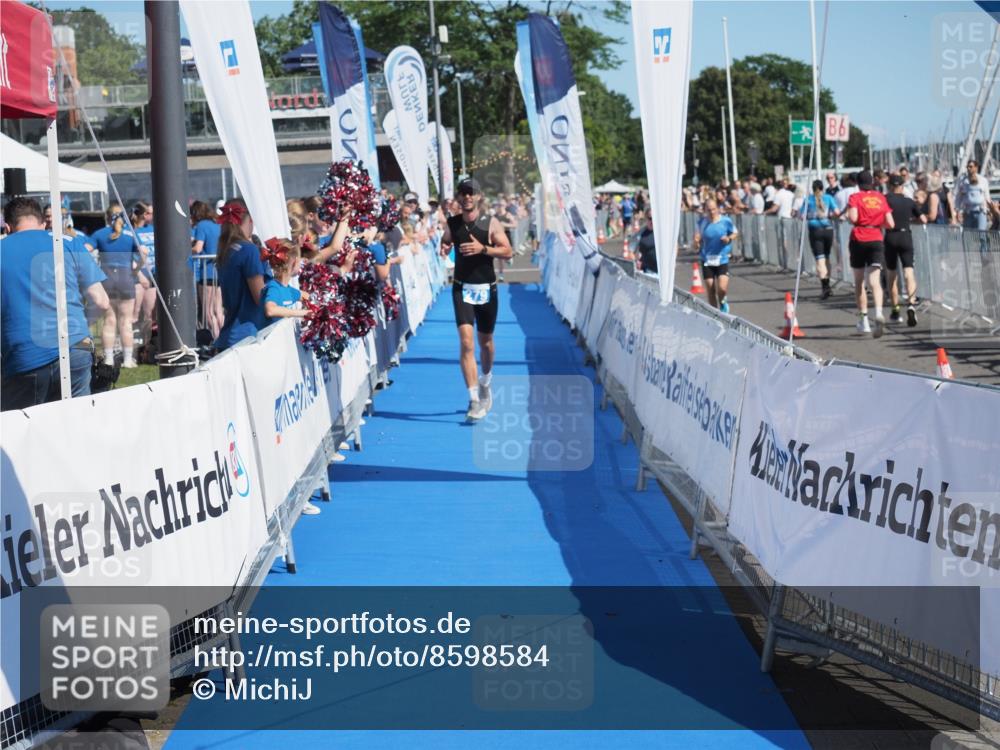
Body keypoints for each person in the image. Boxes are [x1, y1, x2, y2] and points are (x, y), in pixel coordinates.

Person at [1, 197, 110, 410]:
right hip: (76, 346)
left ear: (7, 226)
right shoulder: (69, 242)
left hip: (25, 353)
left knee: (19, 433)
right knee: (75, 426)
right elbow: (102, 301)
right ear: (43, 223)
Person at [439, 178, 513, 421]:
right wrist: (444, 245)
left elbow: (508, 251)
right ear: (458, 198)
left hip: (486, 289)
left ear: (479, 197)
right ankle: (473, 400)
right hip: (462, 288)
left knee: (486, 343)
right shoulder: (452, 222)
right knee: (467, 342)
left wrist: (483, 249)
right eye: (463, 193)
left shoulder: (491, 223)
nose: (467, 197)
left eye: (471, 193)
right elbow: (447, 239)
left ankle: (485, 381)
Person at [846, 171, 894, 337]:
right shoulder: (880, 197)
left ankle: (864, 320)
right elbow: (890, 222)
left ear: (858, 183)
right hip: (876, 238)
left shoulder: (855, 197)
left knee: (859, 282)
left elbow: (853, 217)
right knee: (875, 281)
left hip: (859, 238)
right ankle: (879, 312)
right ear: (872, 182)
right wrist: (876, 222)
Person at [92, 203, 140, 368]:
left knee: (109, 321)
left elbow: (86, 250)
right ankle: (127, 360)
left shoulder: (99, 234)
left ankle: (109, 359)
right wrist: (137, 270)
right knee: (126, 322)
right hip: (126, 278)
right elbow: (144, 254)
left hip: (107, 279)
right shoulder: (130, 234)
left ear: (107, 217)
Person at [884, 174, 924, 327]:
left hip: (891, 236)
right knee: (909, 272)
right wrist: (910, 220)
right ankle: (911, 304)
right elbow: (924, 219)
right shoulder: (909, 201)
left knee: (892, 274)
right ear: (902, 186)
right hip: (905, 235)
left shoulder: (885, 200)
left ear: (889, 186)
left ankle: (895, 310)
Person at [693, 199, 737, 313]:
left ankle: (723, 302)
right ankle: (715, 314)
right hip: (707, 260)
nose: (712, 212)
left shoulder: (725, 221)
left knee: (722, 289)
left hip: (722, 259)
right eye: (709, 210)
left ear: (717, 208)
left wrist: (728, 239)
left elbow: (735, 233)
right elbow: (696, 245)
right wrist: (696, 242)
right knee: (711, 289)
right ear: (705, 210)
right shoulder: (701, 223)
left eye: (713, 209)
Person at [191, 200, 224, 340]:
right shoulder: (218, 225)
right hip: (220, 271)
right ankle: (224, 338)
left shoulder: (201, 226)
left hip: (207, 272)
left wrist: (187, 248)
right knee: (218, 310)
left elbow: (198, 248)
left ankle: (217, 340)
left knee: (208, 312)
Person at [805, 179, 839, 299]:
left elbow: (800, 215)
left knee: (820, 260)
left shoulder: (808, 199)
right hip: (828, 229)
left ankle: (825, 287)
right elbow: (836, 212)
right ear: (822, 188)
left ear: (812, 189)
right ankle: (828, 284)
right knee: (827, 257)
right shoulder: (829, 198)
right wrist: (829, 216)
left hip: (815, 231)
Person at [131, 201, 157, 354]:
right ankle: (133, 349)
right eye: (151, 213)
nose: (153, 216)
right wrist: (139, 275)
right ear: (144, 215)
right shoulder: (131, 231)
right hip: (137, 277)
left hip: (152, 276)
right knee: (134, 314)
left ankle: (147, 347)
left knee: (149, 314)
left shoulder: (152, 229)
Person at [956, 160, 990, 230]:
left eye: (971, 167)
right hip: (968, 212)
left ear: (976, 168)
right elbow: (959, 197)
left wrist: (989, 210)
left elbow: (987, 196)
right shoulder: (963, 181)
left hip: (981, 211)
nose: (968, 168)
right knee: (968, 235)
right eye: (967, 167)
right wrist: (958, 210)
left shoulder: (983, 180)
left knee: (981, 234)